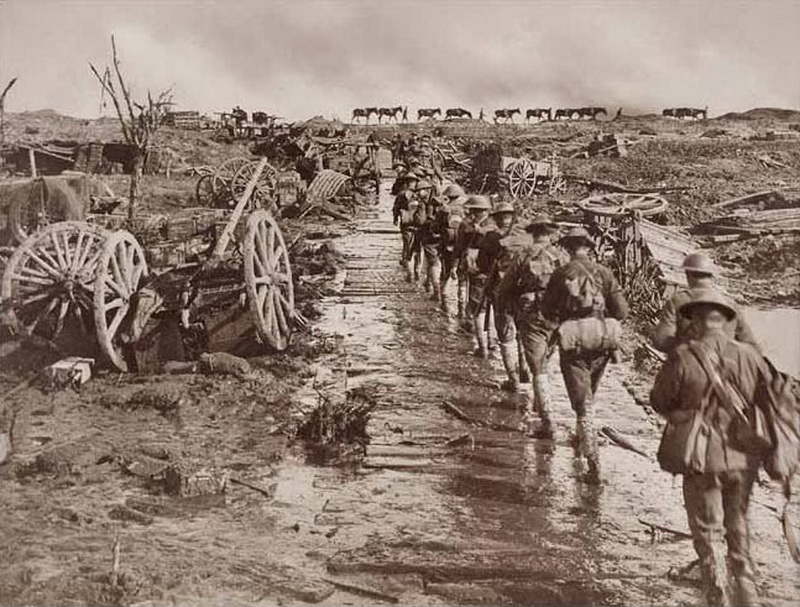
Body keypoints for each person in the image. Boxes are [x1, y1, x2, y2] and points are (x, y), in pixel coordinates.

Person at [650, 289, 769, 607]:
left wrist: (681, 414)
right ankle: (748, 593)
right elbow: (768, 402)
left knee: (708, 532)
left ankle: (717, 595)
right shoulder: (750, 356)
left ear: (698, 320)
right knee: (738, 524)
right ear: (725, 321)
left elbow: (659, 400)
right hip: (744, 458)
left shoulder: (684, 355)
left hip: (702, 457)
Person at [541, 227, 629, 479]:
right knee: (589, 390)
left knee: (582, 400)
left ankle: (593, 463)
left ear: (568, 249)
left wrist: (564, 317)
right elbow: (622, 311)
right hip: (602, 337)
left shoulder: (561, 273)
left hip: (574, 338)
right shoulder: (604, 272)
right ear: (589, 248)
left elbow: (547, 310)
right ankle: (582, 440)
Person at [498, 215, 567, 426]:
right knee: (547, 356)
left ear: (533, 233)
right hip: (556, 313)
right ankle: (540, 402)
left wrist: (505, 306)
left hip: (531, 313)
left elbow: (506, 285)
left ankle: (547, 420)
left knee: (537, 366)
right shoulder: (561, 256)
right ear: (551, 233)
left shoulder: (524, 254)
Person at [652, 252, 758, 353]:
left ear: (688, 275)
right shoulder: (731, 304)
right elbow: (750, 345)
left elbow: (661, 341)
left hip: (689, 367)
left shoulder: (678, 301)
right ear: (710, 276)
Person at [482, 202, 532, 390]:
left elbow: (482, 264)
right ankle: (525, 370)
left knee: (506, 335)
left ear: (496, 217)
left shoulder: (492, 237)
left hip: (502, 291)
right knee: (523, 331)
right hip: (526, 294)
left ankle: (513, 379)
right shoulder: (528, 240)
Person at [462, 195, 495, 356]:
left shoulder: (482, 229)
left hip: (481, 274)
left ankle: (482, 347)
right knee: (491, 309)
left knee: (478, 310)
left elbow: (474, 250)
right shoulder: (494, 226)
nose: (471, 215)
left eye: (473, 212)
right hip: (494, 276)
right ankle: (492, 342)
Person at [417, 195, 445, 301]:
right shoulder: (442, 218)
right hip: (438, 246)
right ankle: (433, 288)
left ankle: (436, 291)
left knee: (433, 267)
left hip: (430, 245)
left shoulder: (430, 220)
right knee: (434, 267)